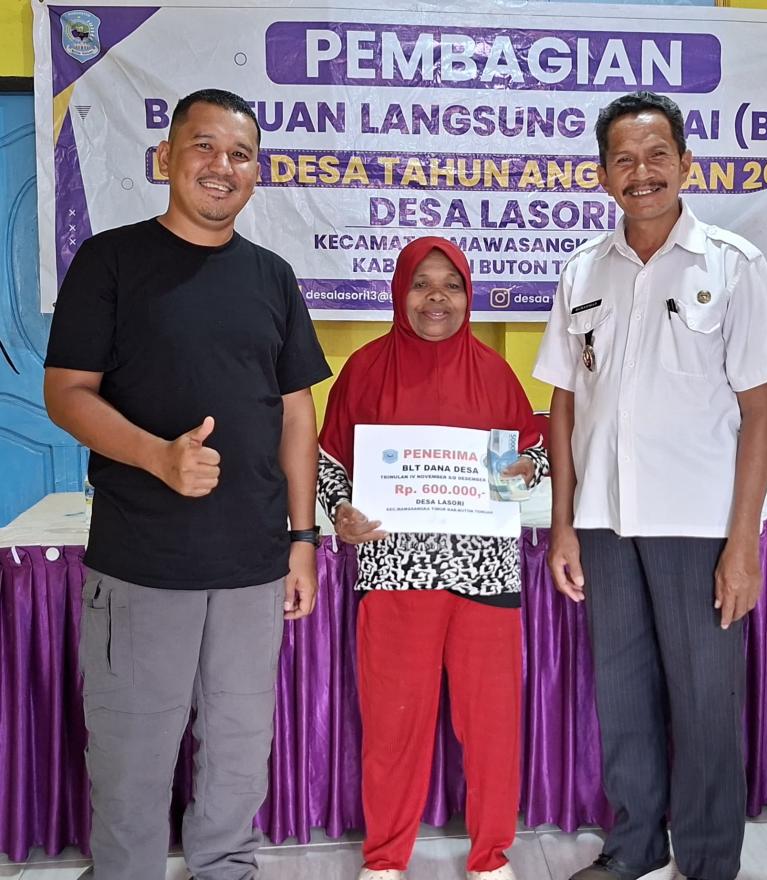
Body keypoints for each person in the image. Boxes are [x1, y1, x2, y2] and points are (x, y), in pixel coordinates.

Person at [43, 88, 331, 880]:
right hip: (144, 561)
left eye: (240, 154)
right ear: (166, 157)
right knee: (133, 750)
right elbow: (66, 392)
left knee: (239, 749)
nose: (221, 166)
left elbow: (296, 413)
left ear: (256, 173)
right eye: (204, 146)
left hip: (253, 566)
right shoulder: (110, 261)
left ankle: (226, 868)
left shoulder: (272, 277)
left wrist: (303, 539)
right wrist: (157, 457)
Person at [533, 91, 767, 880]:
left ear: (686, 164)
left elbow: (761, 410)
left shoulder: (733, 265)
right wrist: (564, 524)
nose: (641, 173)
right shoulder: (582, 270)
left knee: (705, 701)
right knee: (623, 697)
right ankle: (635, 846)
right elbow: (563, 403)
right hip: (605, 521)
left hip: (699, 525)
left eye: (657, 156)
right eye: (623, 159)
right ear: (602, 174)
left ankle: (710, 860)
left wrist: (743, 544)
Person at [318, 237, 549, 880]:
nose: (436, 298)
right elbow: (329, 463)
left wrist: (525, 469)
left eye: (451, 284)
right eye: (421, 284)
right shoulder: (365, 369)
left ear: (469, 295)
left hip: (485, 573)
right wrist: (342, 512)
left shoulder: (495, 372)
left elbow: (531, 455)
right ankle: (385, 858)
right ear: (400, 291)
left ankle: (491, 857)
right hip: (395, 572)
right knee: (394, 724)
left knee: (491, 723)